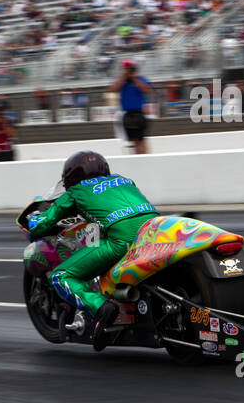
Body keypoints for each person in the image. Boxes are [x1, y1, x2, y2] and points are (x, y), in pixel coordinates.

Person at [21, 151, 159, 351]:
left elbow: (45, 222)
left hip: (121, 241)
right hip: (153, 233)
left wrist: (33, 220)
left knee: (61, 276)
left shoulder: (75, 191)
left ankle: (102, 308)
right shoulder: (124, 181)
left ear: (71, 178)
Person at [110, 60, 153, 154]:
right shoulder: (122, 81)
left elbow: (147, 90)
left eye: (128, 68)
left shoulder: (140, 79)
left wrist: (134, 79)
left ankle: (145, 157)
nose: (126, 71)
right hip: (127, 114)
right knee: (132, 139)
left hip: (138, 113)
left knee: (140, 139)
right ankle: (136, 157)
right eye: (125, 69)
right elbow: (113, 89)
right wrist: (124, 77)